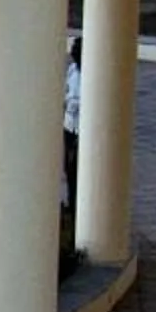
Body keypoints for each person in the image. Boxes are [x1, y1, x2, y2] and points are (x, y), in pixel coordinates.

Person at [62, 37, 83, 211]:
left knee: (76, 168)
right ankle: (71, 201)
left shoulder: (93, 77)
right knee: (68, 168)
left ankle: (77, 205)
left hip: (81, 130)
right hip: (69, 126)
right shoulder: (72, 70)